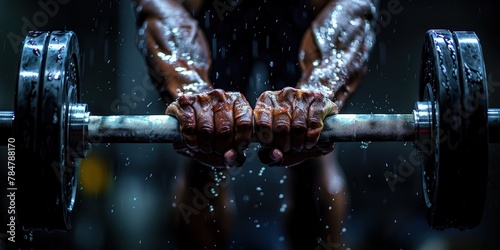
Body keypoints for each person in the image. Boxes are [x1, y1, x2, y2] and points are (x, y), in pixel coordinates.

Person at [130, 0, 377, 248]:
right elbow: (159, 4)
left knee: (309, 150)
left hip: (301, 18)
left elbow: (354, 3)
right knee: (203, 151)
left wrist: (316, 91)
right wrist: (193, 92)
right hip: (214, 17)